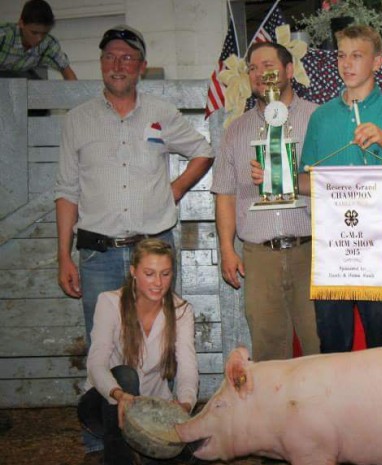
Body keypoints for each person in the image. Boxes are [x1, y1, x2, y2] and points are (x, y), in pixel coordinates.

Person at [53, 24, 213, 464]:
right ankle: (102, 444)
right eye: (110, 56)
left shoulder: (161, 113)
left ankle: (162, 424)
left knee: (162, 345)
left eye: (127, 58)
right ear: (101, 63)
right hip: (98, 252)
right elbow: (67, 190)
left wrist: (176, 189)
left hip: (152, 248)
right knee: (102, 343)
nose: (118, 64)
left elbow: (203, 149)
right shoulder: (78, 119)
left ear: (140, 67)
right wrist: (63, 253)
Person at [296, 25, 382, 353]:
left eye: (357, 56)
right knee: (332, 340)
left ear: (377, 62)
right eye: (341, 55)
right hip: (332, 239)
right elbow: (305, 181)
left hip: (379, 237)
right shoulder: (321, 117)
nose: (346, 64)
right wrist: (276, 176)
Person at [212, 41, 320, 362]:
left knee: (320, 348)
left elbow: (335, 181)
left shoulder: (319, 118)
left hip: (312, 252)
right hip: (258, 257)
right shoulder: (236, 130)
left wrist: (288, 177)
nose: (260, 74)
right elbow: (225, 194)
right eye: (253, 68)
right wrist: (227, 248)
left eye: (268, 65)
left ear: (289, 71)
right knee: (269, 353)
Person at [77, 239, 198, 465]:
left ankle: (139, 453)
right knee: (125, 375)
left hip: (150, 411)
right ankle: (118, 456)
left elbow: (188, 367)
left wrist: (184, 404)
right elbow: (96, 365)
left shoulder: (181, 310)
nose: (158, 283)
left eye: (165, 274)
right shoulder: (110, 302)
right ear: (133, 271)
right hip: (106, 404)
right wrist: (120, 395)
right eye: (149, 273)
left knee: (198, 452)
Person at [0, 0, 77, 80]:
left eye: (44, 33)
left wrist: (75, 91)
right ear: (21, 23)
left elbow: (68, 72)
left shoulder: (48, 44)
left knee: (38, 87)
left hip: (22, 74)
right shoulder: (3, 35)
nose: (39, 39)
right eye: (34, 33)